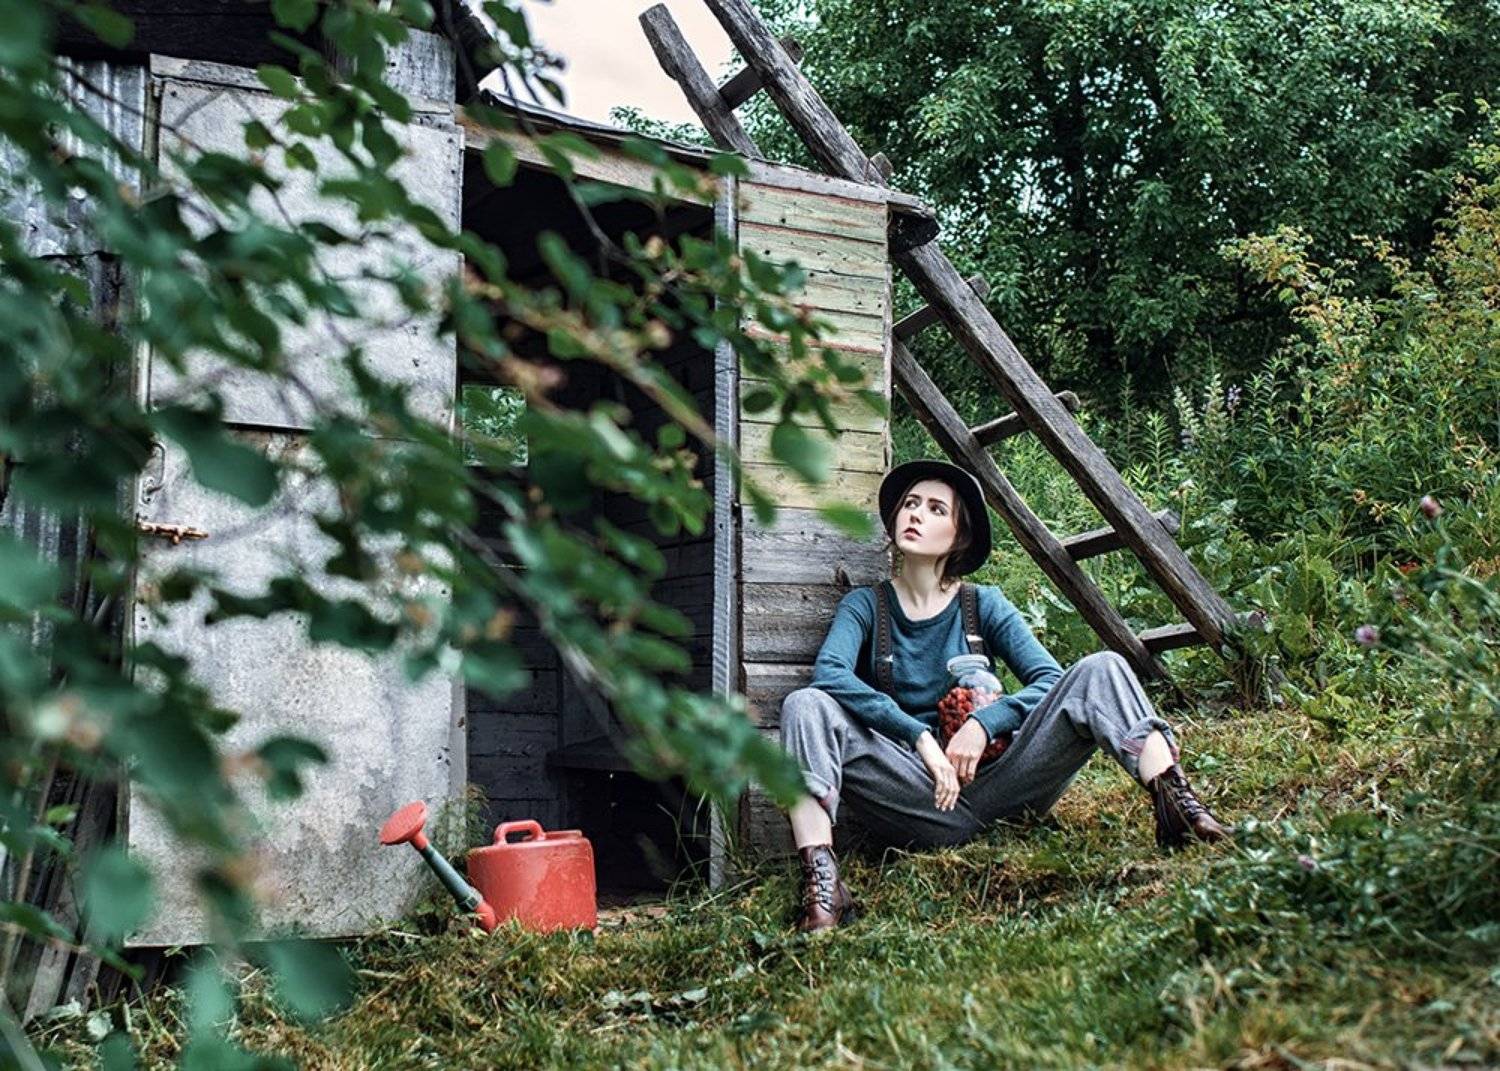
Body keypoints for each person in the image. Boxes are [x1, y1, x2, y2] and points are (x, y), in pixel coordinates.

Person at [779, 459, 1229, 932]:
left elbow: (1048, 679)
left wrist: (984, 724)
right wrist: (918, 737)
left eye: (936, 509)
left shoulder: (983, 604)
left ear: (959, 536)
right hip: (917, 796)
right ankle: (823, 885)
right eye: (910, 504)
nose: (915, 514)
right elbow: (830, 673)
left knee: (1104, 668)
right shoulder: (866, 606)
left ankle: (1177, 806)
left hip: (1006, 783)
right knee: (805, 704)